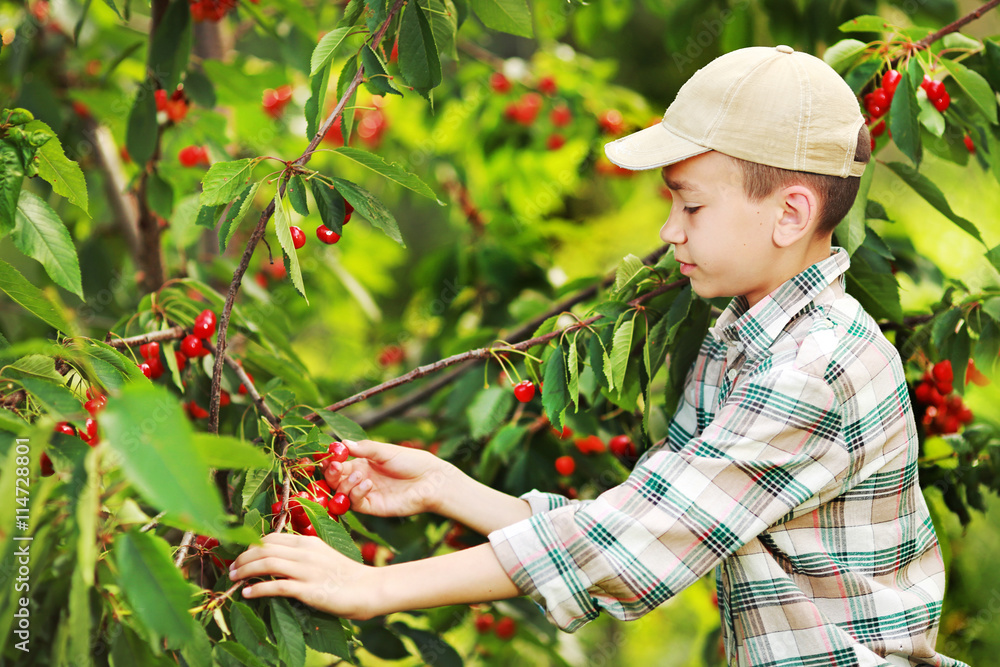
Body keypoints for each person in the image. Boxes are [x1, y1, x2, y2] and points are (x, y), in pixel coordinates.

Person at [230, 46, 967, 666]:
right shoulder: (747, 335)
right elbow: (651, 521)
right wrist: (451, 489)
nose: (671, 231)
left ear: (791, 213)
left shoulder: (813, 369)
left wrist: (373, 587)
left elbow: (630, 550)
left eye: (692, 205)